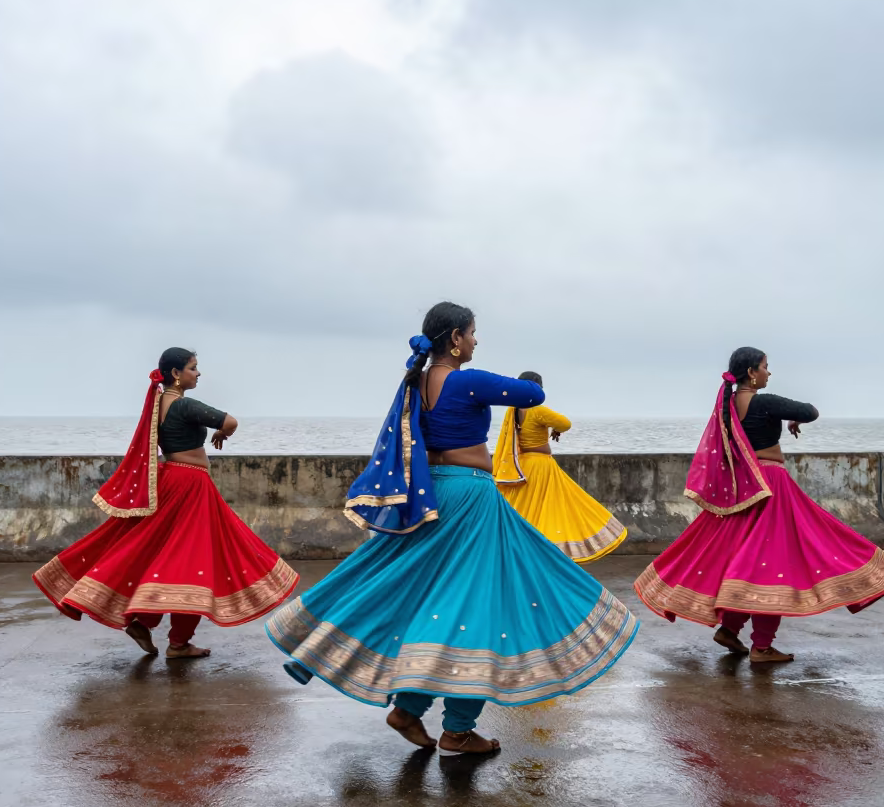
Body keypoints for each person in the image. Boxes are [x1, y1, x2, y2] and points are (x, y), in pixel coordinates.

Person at [265, 303, 639, 755]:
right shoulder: (465, 379)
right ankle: (458, 730)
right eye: (474, 334)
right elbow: (531, 396)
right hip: (471, 497)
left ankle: (410, 709)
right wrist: (497, 380)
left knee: (440, 599)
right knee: (478, 605)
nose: (477, 342)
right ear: (456, 339)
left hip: (431, 496)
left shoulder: (415, 382)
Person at [634, 347, 884, 663]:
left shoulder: (728, 405)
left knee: (749, 559)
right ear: (752, 372)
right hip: (770, 487)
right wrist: (787, 415)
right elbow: (811, 411)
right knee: (772, 563)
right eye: (765, 366)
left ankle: (730, 629)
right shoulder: (764, 402)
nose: (768, 372)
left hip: (745, 487)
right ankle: (761, 647)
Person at [33, 348, 298, 659]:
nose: (198, 374)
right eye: (193, 368)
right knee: (197, 560)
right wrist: (222, 434)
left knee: (165, 554)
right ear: (176, 374)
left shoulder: (157, 404)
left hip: (170, 479)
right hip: (191, 484)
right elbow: (231, 421)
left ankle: (145, 622)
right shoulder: (184, 405)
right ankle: (177, 642)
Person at [492, 372, 627, 562]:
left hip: (521, 466)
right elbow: (565, 423)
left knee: (524, 510)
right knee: (549, 508)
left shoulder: (512, 411)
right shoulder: (537, 409)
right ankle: (542, 551)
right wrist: (556, 429)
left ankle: (519, 549)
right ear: (537, 388)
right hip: (540, 466)